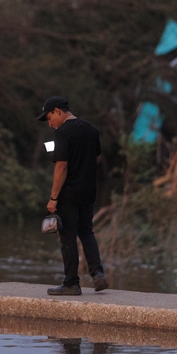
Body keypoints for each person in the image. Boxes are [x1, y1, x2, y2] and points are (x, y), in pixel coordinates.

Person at [37, 96, 108, 296]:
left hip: (68, 193)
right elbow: (97, 158)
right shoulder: (91, 129)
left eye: (49, 117)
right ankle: (97, 273)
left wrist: (53, 198)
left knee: (67, 237)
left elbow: (61, 166)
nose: (50, 123)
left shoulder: (62, 133)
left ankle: (71, 283)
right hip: (89, 191)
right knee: (86, 232)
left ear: (58, 111)